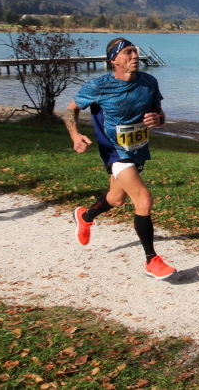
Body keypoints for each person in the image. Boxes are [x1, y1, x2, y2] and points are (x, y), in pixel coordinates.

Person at [63, 37, 176, 280]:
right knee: (143, 200)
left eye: (135, 51)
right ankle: (151, 260)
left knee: (115, 199)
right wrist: (75, 135)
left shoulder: (149, 82)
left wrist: (159, 120)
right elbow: (71, 108)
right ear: (114, 60)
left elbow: (159, 112)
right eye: (128, 52)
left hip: (137, 148)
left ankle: (84, 216)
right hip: (114, 150)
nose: (135, 56)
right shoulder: (99, 86)